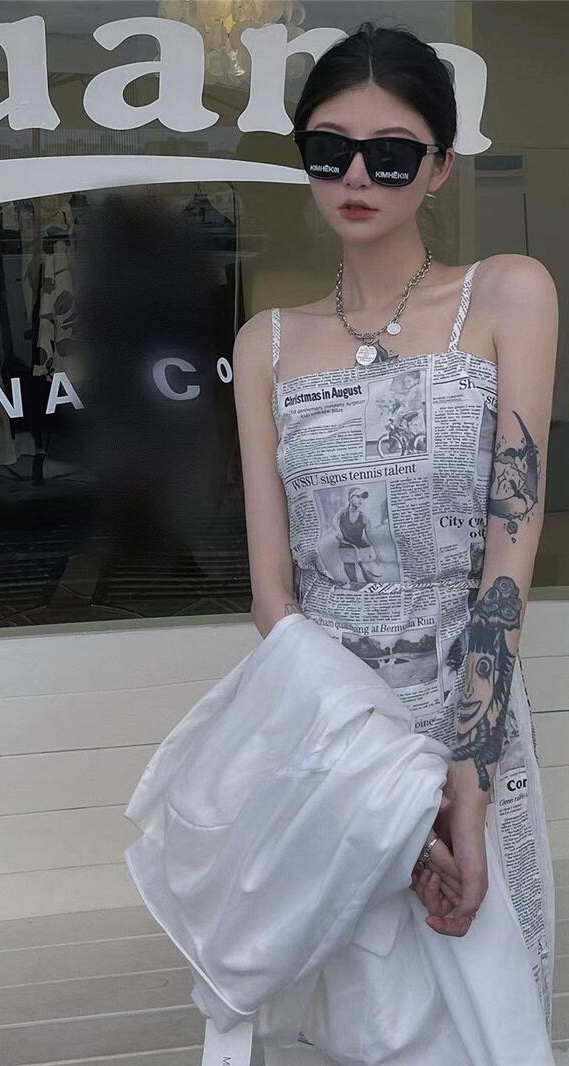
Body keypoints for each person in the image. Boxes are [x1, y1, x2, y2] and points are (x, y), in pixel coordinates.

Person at [232, 20, 559, 1065]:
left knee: (481, 1014)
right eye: (329, 150)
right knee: (355, 1020)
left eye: (391, 153)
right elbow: (272, 597)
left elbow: (507, 560)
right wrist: (381, 795)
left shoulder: (507, 294)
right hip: (333, 741)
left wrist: (461, 784)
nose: (356, 176)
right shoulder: (264, 344)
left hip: (468, 721)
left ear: (440, 167)